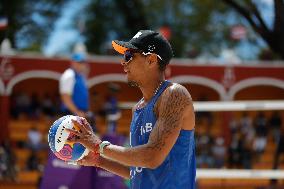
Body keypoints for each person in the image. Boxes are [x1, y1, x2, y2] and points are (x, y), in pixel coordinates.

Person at [67, 30, 196, 189]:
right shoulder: (138, 108)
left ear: (151, 60)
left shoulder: (174, 94)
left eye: (129, 56)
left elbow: (152, 157)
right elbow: (138, 170)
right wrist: (99, 161)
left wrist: (98, 145)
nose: (123, 62)